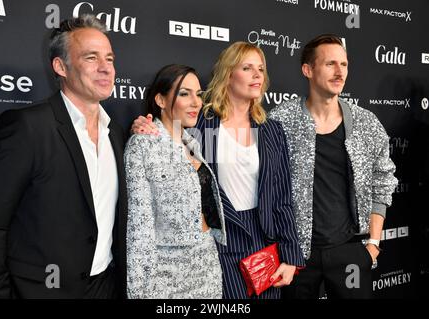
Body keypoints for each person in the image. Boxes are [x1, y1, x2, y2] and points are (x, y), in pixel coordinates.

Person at [132, 42, 305, 299]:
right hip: (220, 241)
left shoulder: (271, 129)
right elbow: (164, 130)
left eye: (261, 68)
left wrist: (291, 255)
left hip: (263, 241)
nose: (257, 74)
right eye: (247, 68)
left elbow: (282, 198)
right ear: (227, 74)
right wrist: (144, 125)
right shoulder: (201, 123)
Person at [0, 14, 127, 299]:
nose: (105, 68)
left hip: (105, 287)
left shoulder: (116, 134)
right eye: (91, 58)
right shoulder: (25, 127)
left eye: (109, 59)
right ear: (60, 66)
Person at [268, 34, 398, 298]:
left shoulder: (366, 123)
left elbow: (383, 180)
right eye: (330, 64)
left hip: (349, 249)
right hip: (296, 254)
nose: (340, 72)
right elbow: (268, 187)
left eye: (344, 64)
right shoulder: (281, 121)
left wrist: (373, 243)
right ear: (308, 70)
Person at [125, 64, 226, 299]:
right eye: (184, 93)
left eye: (198, 94)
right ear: (160, 100)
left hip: (207, 263)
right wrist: (139, 290)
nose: (196, 102)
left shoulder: (193, 142)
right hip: (165, 274)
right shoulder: (142, 146)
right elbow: (139, 228)